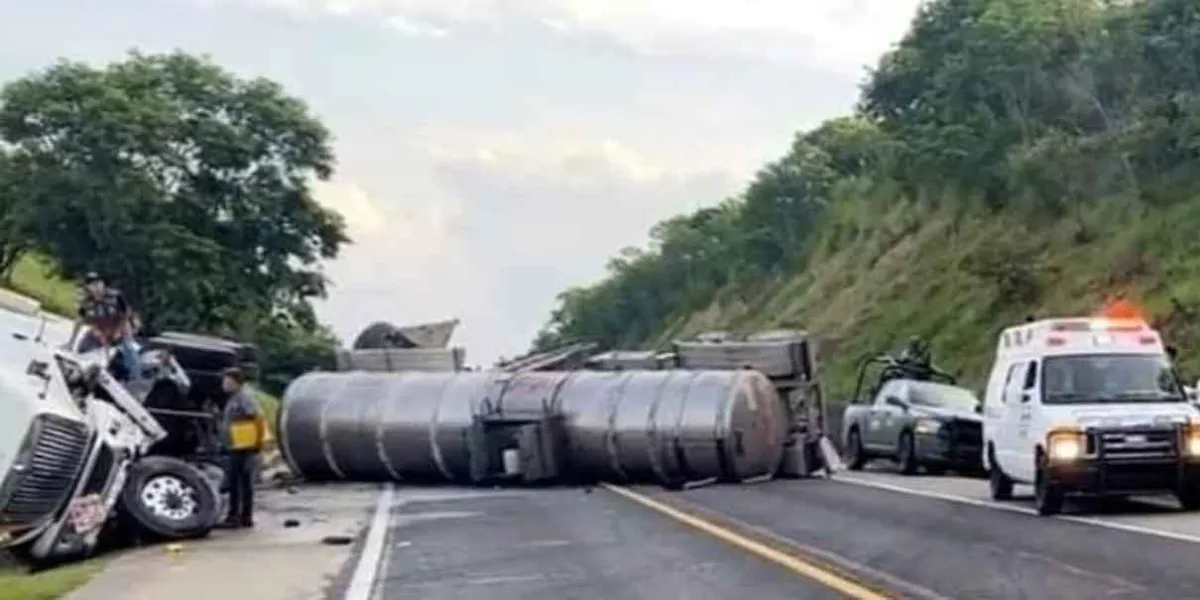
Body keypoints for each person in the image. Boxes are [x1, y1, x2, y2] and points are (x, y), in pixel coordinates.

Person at [72, 272, 141, 381]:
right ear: (88, 287)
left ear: (103, 284)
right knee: (84, 347)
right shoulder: (87, 302)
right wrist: (71, 342)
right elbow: (80, 320)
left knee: (130, 350)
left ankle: (136, 378)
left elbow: (126, 314)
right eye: (92, 285)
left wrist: (118, 331)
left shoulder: (115, 296)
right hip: (102, 329)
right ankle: (84, 372)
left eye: (98, 283)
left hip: (119, 328)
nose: (96, 287)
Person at [219, 367, 265, 529]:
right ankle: (242, 517)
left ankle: (237, 517)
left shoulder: (244, 399)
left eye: (227, 381)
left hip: (243, 447)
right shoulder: (234, 398)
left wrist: (254, 444)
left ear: (237, 383)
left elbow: (256, 418)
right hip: (235, 445)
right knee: (238, 482)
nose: (224, 384)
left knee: (239, 483)